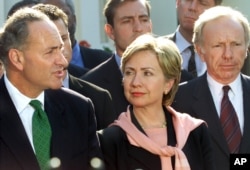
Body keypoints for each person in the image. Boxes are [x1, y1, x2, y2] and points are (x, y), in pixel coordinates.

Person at [0, 8, 102, 170]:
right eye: (50, 52)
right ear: (17, 58)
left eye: (60, 49)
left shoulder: (79, 109)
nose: (63, 61)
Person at [98, 34, 214, 170]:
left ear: (168, 84)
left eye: (147, 73)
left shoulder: (195, 131)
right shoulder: (108, 140)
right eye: (129, 73)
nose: (136, 82)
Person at [172, 6, 250, 169]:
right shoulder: (178, 99)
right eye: (218, 45)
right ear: (200, 51)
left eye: (236, 44)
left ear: (246, 49)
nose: (228, 54)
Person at [33, 3, 116, 130]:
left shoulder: (99, 98)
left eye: (63, 38)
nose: (60, 46)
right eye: (49, 41)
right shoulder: (14, 98)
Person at [82, 0, 153, 116]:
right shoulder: (90, 86)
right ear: (110, 31)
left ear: (150, 26)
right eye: (127, 21)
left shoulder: (176, 77)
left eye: (144, 20)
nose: (138, 28)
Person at [39, 0, 112, 75]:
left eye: (64, 13)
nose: (58, 20)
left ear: (74, 19)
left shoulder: (106, 61)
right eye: (48, 16)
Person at [164, 0, 222, 81]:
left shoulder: (227, 55)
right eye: (188, 0)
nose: (192, 8)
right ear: (178, 2)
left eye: (203, 3)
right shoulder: (155, 51)